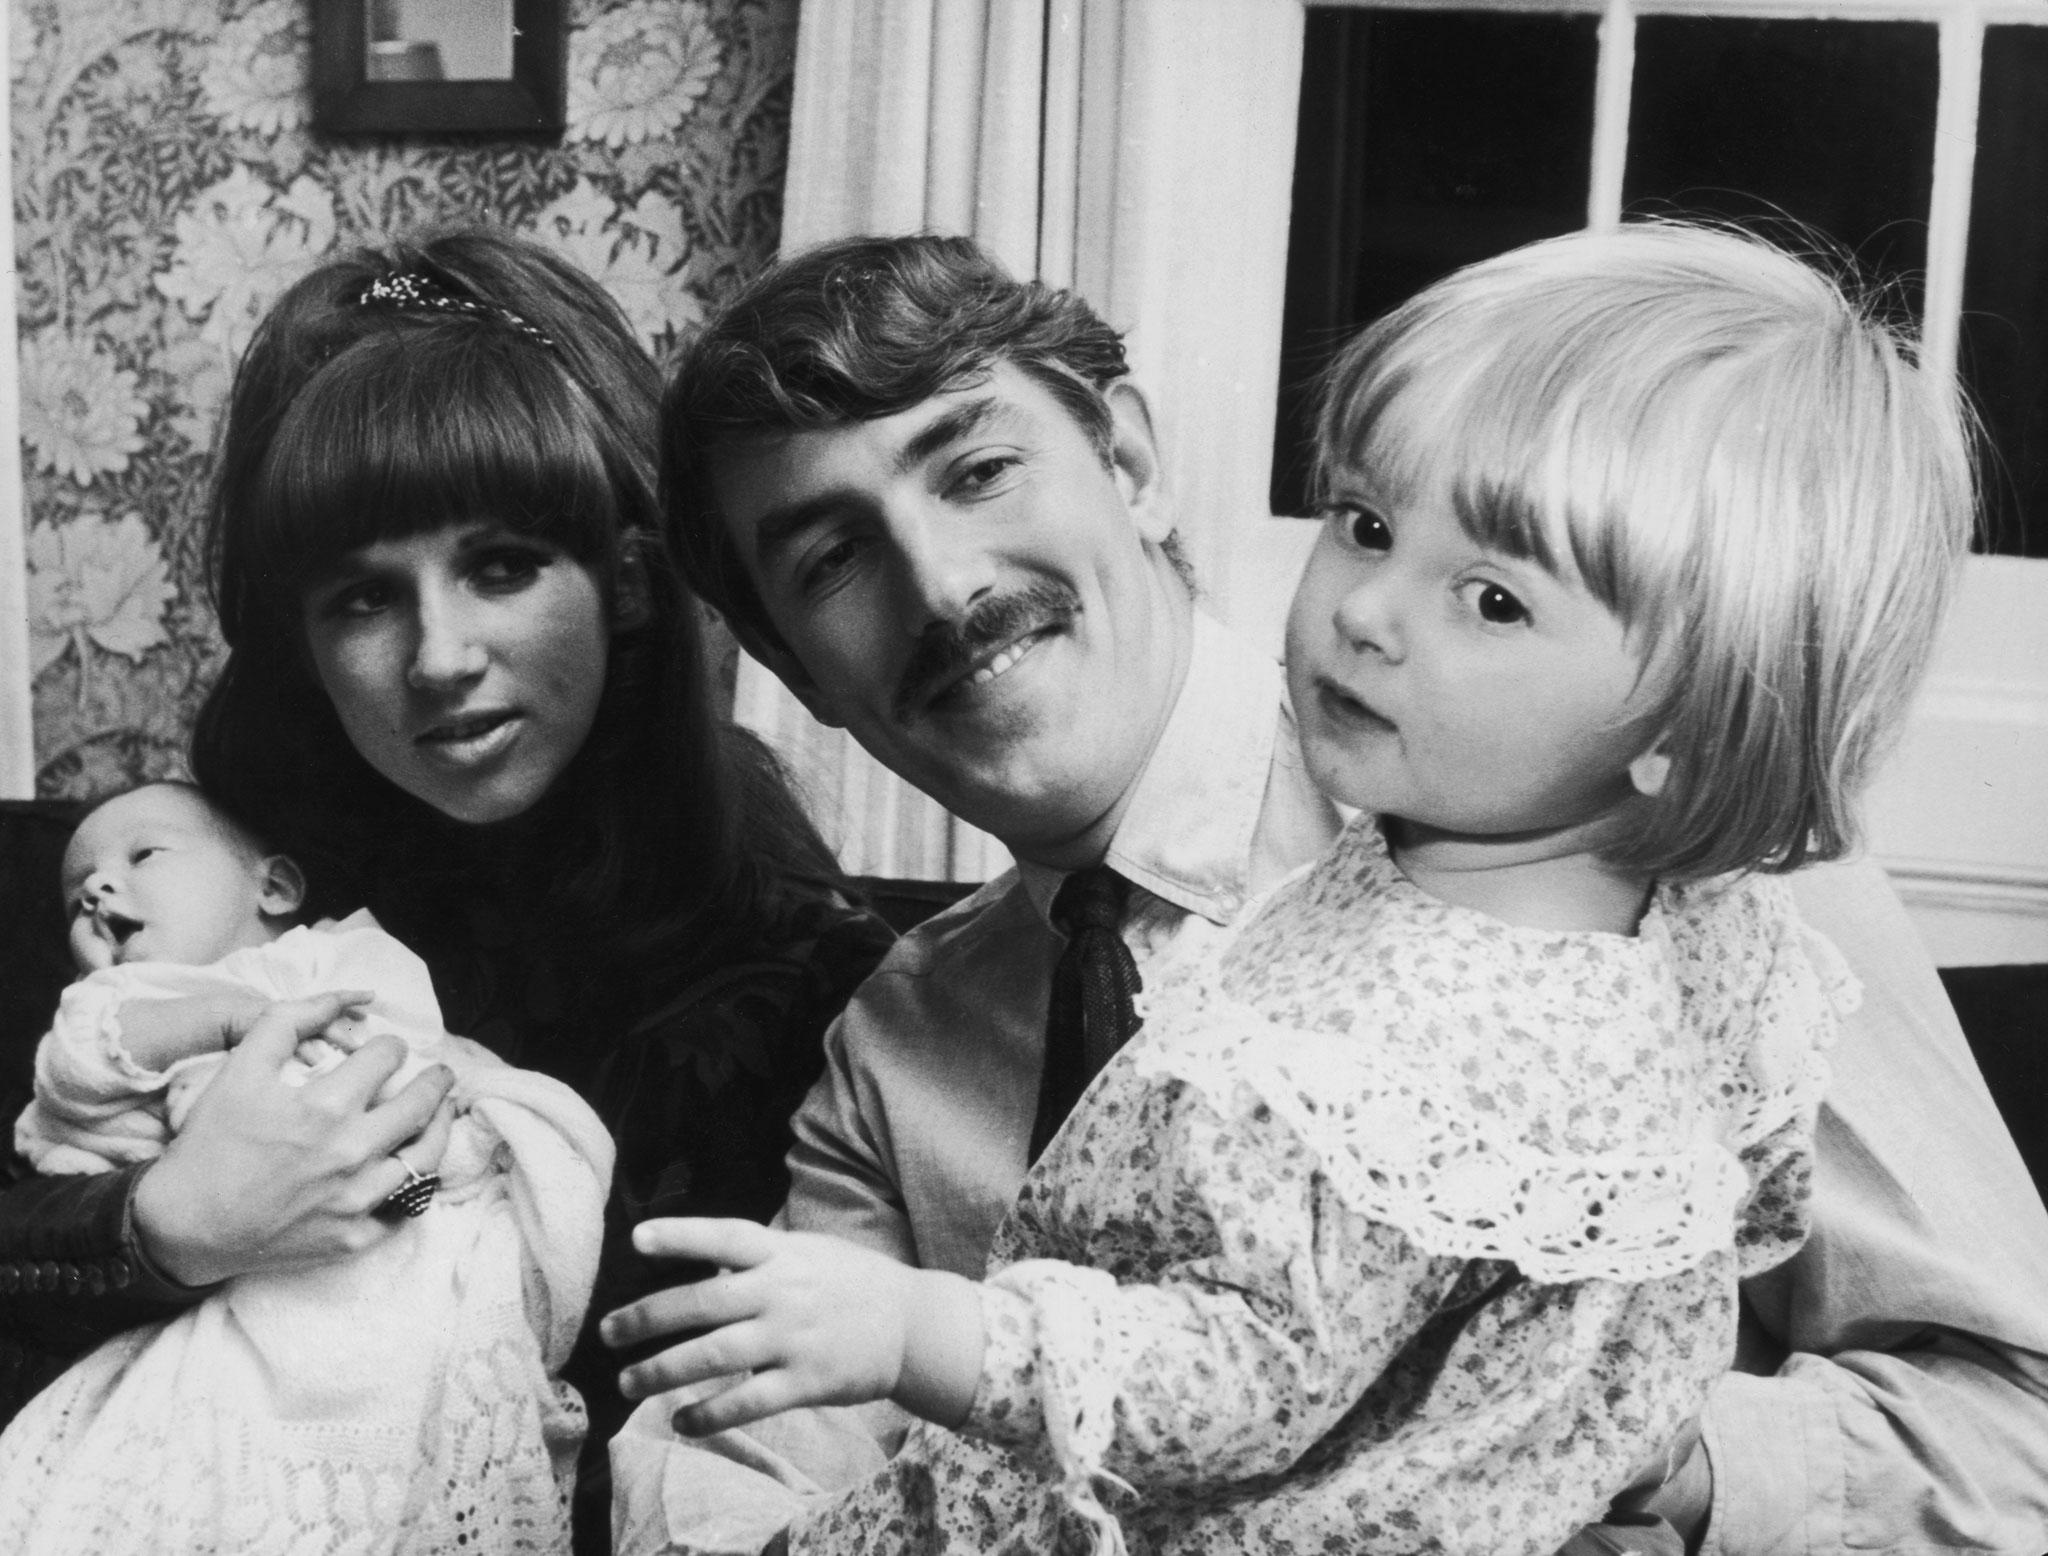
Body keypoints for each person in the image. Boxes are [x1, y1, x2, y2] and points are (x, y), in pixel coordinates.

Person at [612, 231, 2048, 1552]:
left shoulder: (1676, 863)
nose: (942, 583)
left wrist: (1601, 1460)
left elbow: (2018, 1443)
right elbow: (750, 1469)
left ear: (1127, 457)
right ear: (799, 676)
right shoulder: (894, 1055)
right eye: (833, 558)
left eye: (977, 470)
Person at [0, 227, 894, 1555]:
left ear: (628, 579)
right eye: (363, 598)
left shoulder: (801, 979)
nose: (440, 658)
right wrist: (170, 1227)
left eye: (500, 565)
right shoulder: (224, 893)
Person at [1, 779, 612, 1552]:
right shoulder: (125, 998)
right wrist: (223, 1020)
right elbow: (77, 1068)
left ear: (276, 885)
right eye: (74, 898)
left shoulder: (342, 954)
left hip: (390, 1223)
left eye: (142, 855)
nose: (95, 889)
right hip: (232, 1271)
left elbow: (411, 1041)